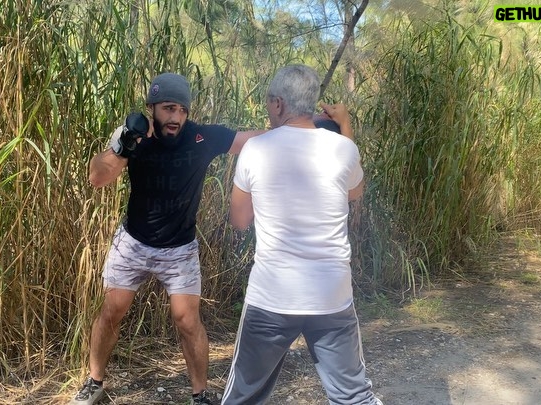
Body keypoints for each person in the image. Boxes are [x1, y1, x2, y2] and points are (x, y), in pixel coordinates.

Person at [70, 73, 264, 405]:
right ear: (153, 108)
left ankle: (200, 395)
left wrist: (303, 125)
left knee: (187, 320)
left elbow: (253, 139)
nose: (175, 117)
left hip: (179, 248)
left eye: (181, 110)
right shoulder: (135, 135)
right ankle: (94, 382)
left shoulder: (202, 136)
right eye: (168, 108)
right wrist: (124, 143)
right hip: (133, 242)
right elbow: (97, 177)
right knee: (112, 310)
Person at [222, 64, 383, 405]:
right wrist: (345, 125)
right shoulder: (343, 148)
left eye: (268, 103)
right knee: (354, 396)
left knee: (243, 397)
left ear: (278, 104)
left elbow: (239, 220)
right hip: (331, 295)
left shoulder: (256, 149)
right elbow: (354, 193)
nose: (268, 109)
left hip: (272, 296)